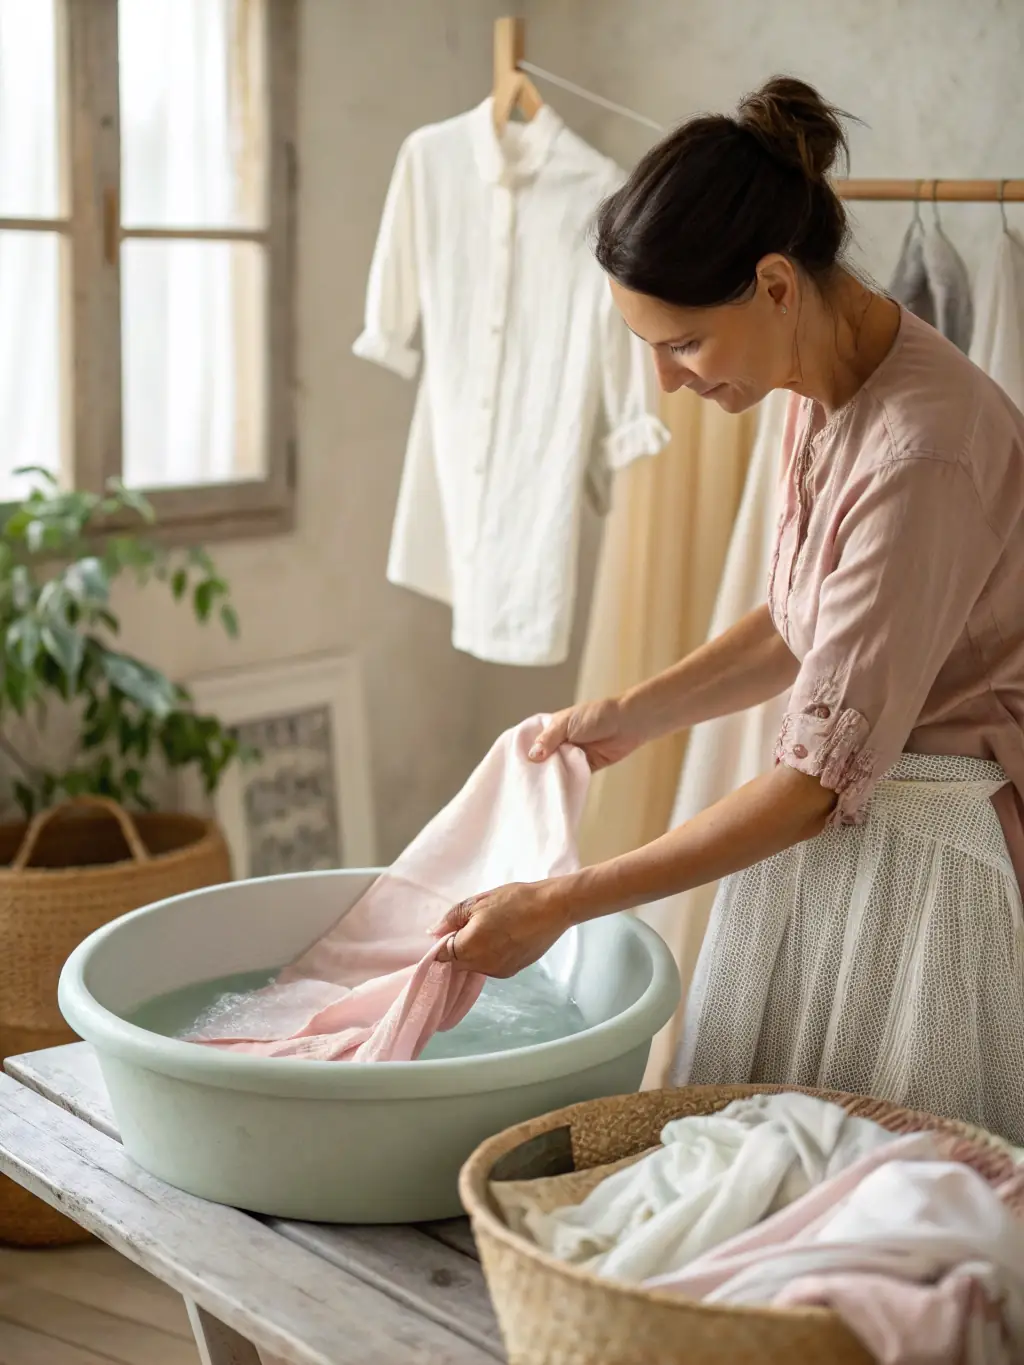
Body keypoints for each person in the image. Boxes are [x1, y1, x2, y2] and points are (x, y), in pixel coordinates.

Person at [434, 77, 1024, 1141]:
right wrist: (628, 713)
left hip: (923, 874)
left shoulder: (922, 449)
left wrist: (560, 902)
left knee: (881, 1204)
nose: (667, 384)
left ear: (772, 284)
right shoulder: (820, 379)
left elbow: (809, 785)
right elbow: (800, 622)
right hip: (842, 838)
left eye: (684, 345)